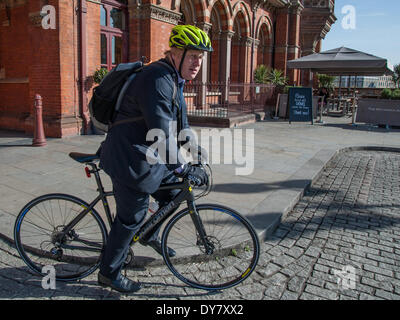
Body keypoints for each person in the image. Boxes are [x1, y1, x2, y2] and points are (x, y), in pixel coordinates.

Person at [97, 25, 213, 293]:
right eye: (193, 55)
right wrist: (183, 168)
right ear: (175, 52)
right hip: (130, 159)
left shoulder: (175, 79)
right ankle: (109, 273)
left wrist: (197, 155)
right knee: (131, 217)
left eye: (201, 56)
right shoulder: (156, 78)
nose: (198, 62)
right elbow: (160, 134)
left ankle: (150, 234)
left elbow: (182, 126)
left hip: (148, 157)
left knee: (174, 193)